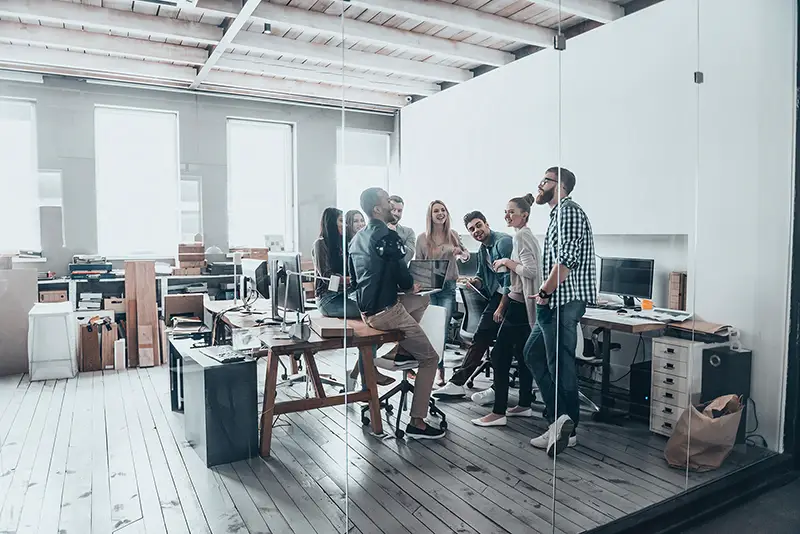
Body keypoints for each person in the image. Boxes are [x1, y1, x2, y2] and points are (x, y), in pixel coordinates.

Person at [348, 187, 446, 440]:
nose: (392, 205)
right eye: (385, 200)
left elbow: (356, 280)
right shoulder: (387, 236)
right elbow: (401, 275)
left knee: (421, 300)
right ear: (377, 209)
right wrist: (407, 285)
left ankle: (401, 350)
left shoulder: (356, 238)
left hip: (366, 311)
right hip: (387, 312)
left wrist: (408, 289)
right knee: (429, 359)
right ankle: (417, 423)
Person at [524, 167, 596, 457]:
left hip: (561, 300)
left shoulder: (568, 212)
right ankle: (559, 420)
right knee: (534, 355)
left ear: (560, 186)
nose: (539, 186)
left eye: (544, 181)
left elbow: (565, 261)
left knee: (560, 365)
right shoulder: (557, 215)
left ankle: (568, 426)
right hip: (553, 301)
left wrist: (543, 291)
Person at [470, 195, 541, 427]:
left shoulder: (521, 236)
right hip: (520, 303)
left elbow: (530, 271)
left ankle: (498, 412)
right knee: (522, 355)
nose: (507, 216)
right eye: (506, 212)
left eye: (512, 212)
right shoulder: (523, 236)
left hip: (519, 306)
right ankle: (524, 405)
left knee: (500, 357)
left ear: (525, 215)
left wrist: (506, 263)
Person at [433, 211, 512, 399]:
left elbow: (509, 281)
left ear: (486, 223)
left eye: (478, 225)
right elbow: (482, 277)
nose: (476, 231)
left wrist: (501, 307)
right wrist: (473, 282)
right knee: (484, 337)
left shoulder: (502, 242)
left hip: (511, 297)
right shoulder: (484, 249)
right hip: (497, 295)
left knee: (496, 342)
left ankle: (475, 386)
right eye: (471, 229)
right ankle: (460, 383)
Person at [313, 208, 394, 387]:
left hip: (347, 295)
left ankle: (361, 374)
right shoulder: (321, 244)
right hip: (329, 299)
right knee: (372, 316)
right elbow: (328, 277)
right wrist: (357, 279)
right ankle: (369, 378)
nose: (346, 225)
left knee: (375, 324)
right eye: (342, 221)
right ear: (331, 224)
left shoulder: (346, 244)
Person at [415, 200, 469, 386]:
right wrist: (445, 249)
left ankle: (440, 369)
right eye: (436, 211)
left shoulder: (452, 235)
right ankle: (428, 366)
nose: (440, 213)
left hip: (447, 287)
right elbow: (418, 265)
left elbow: (465, 254)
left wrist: (461, 253)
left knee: (441, 330)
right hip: (428, 289)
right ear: (430, 216)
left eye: (443, 210)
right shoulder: (422, 238)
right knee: (429, 329)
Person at [388, 195, 415, 264]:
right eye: (393, 210)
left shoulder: (408, 232)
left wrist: (394, 237)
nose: (396, 213)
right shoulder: (377, 230)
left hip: (399, 273)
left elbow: (408, 256)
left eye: (399, 211)